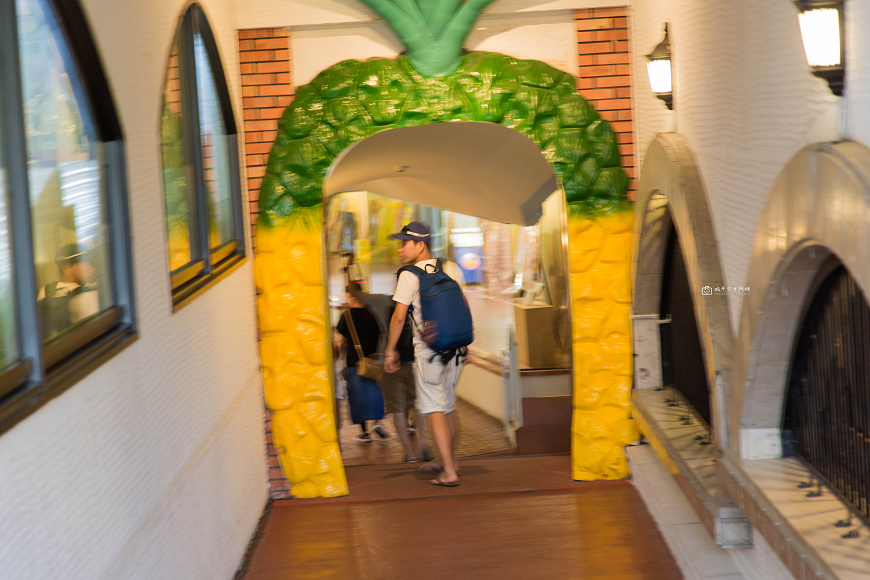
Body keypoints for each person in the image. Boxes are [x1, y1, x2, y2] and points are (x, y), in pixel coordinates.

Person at [385, 221, 467, 487]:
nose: (399, 249)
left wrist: (390, 351)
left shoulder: (409, 275)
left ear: (421, 245)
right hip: (455, 350)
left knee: (435, 410)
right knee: (450, 407)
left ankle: (449, 472)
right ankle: (449, 462)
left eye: (404, 244)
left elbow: (399, 319)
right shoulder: (450, 267)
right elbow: (463, 305)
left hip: (430, 353)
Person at [335, 282, 388, 442]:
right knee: (373, 392)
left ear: (350, 295)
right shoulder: (371, 313)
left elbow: (342, 341)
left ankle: (365, 432)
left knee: (358, 397)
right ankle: (377, 422)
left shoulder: (347, 316)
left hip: (354, 361)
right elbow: (380, 335)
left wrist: (339, 360)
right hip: (372, 360)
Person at [380, 301, 429, 462]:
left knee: (397, 409)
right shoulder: (423, 304)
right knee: (418, 405)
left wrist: (390, 351)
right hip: (417, 362)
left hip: (392, 364)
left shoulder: (391, 307)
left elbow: (392, 326)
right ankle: (423, 446)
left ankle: (410, 454)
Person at [37, 244, 99, 340]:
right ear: (68, 269)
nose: (93, 268)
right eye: (88, 263)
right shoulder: (88, 295)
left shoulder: (45, 291)